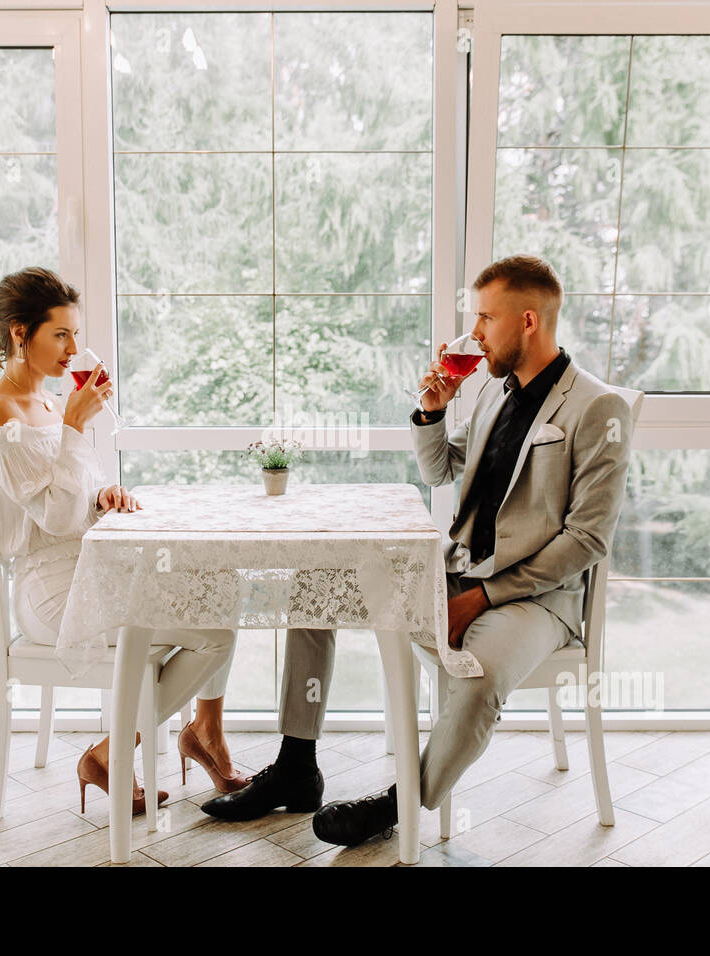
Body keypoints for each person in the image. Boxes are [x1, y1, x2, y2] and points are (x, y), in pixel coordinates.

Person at [201, 255, 634, 848]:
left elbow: (588, 539)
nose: (474, 333)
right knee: (314, 590)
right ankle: (298, 765)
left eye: (485, 318)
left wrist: (484, 596)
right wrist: (433, 410)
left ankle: (399, 800)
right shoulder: (490, 392)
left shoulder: (596, 406)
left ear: (529, 321)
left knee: (477, 680)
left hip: (537, 599)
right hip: (453, 572)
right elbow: (440, 471)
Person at [0, 267, 246, 816]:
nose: (75, 349)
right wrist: (73, 431)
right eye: (61, 335)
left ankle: (195, 735)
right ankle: (111, 753)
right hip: (52, 594)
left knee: (222, 589)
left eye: (76, 334)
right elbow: (54, 518)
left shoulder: (50, 402)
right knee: (213, 631)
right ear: (20, 335)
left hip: (94, 571)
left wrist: (106, 495)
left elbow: (75, 499)